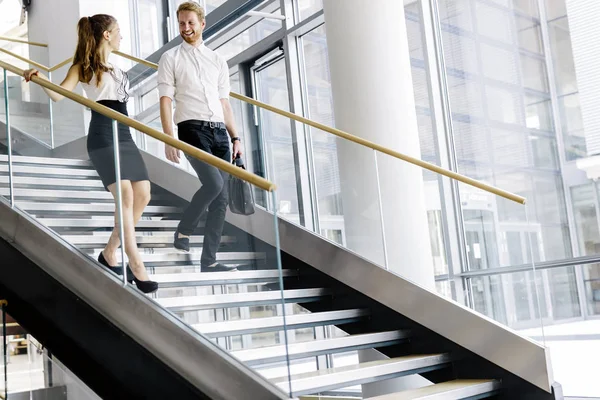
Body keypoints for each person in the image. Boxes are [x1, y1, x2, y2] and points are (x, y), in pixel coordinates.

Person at [24, 14, 158, 293]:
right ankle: (136, 264)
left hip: (124, 134)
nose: (121, 36)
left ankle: (109, 252)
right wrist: (38, 79)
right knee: (125, 195)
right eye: (118, 31)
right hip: (102, 135)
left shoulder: (117, 67)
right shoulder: (83, 67)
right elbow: (59, 95)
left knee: (143, 194)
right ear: (106, 35)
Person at [158, 2, 242, 272]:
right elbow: (165, 100)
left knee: (221, 199)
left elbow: (224, 104)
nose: (185, 28)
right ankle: (184, 230)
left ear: (202, 24)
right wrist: (169, 138)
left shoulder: (218, 61)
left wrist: (236, 137)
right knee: (213, 184)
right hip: (192, 129)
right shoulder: (170, 58)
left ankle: (210, 260)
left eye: (190, 22)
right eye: (181, 23)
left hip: (220, 132)